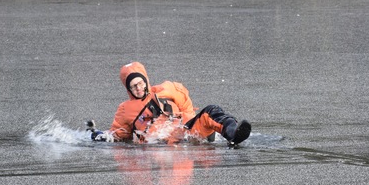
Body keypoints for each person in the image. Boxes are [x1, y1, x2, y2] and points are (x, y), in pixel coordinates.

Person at [91, 62, 251, 145]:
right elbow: (118, 134)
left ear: (145, 80)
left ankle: (233, 134)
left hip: (186, 134)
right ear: (128, 89)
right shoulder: (125, 110)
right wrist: (102, 136)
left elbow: (187, 107)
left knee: (212, 111)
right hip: (160, 146)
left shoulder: (167, 89)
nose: (138, 88)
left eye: (140, 83)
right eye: (133, 86)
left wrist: (189, 130)